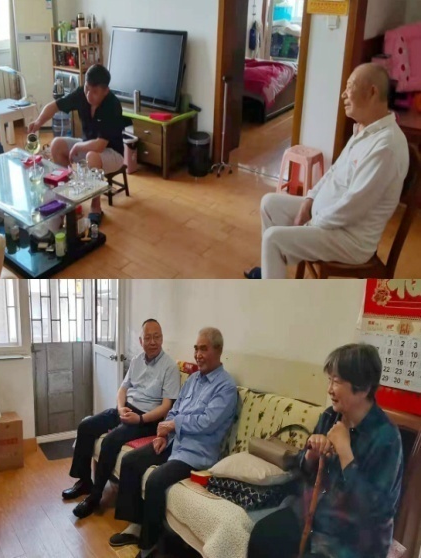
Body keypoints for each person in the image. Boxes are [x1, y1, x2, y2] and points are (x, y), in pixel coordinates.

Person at [244, 63, 410, 279]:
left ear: (372, 92)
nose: (343, 94)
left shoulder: (386, 147)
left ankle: (273, 292)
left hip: (350, 238)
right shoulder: (364, 130)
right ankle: (272, 274)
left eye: (350, 86)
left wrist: (311, 224)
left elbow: (353, 207)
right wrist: (309, 201)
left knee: (273, 239)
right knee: (269, 204)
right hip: (328, 217)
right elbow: (333, 173)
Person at [247, 343, 403, 558]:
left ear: (364, 388)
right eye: (329, 380)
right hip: (314, 515)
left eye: (336, 382)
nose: (329, 389)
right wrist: (311, 455)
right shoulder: (331, 416)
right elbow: (304, 472)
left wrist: (345, 451)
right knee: (263, 535)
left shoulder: (386, 437)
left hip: (352, 538)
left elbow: (372, 510)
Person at [110, 327, 238, 558]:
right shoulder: (193, 379)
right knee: (130, 461)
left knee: (156, 480)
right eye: (196, 349)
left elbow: (207, 422)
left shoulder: (226, 387)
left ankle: (149, 546)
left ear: (218, 350)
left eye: (203, 349)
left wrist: (173, 425)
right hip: (172, 442)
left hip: (196, 454)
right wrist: (162, 435)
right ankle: (136, 526)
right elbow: (174, 410)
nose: (198, 355)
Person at [64, 319, 180, 519]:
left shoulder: (169, 367)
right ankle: (84, 482)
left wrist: (140, 419)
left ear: (162, 338)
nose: (153, 342)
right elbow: (123, 389)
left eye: (157, 337)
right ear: (141, 341)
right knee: (86, 426)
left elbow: (166, 406)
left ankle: (95, 496)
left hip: (147, 419)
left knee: (110, 441)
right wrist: (120, 408)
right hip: (126, 410)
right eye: (148, 337)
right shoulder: (136, 361)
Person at [27, 64, 125, 225]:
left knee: (92, 156)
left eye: (94, 92)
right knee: (56, 144)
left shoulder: (113, 105)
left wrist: (78, 147)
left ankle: (96, 207)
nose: (89, 95)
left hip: (112, 152)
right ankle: (68, 197)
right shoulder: (81, 94)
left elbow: (100, 145)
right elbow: (54, 106)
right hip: (88, 145)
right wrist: (38, 122)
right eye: (87, 88)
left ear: (105, 91)